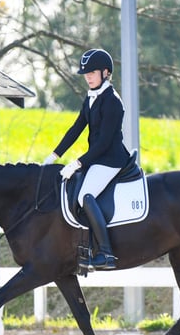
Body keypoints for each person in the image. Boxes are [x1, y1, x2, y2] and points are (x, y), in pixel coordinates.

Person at [43, 48, 131, 270]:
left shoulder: (113, 102)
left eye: (92, 72)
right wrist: (54, 155)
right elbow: (76, 128)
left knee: (85, 195)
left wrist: (77, 163)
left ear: (105, 73)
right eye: (86, 73)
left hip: (111, 160)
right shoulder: (91, 98)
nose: (88, 77)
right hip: (97, 158)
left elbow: (103, 143)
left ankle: (106, 253)